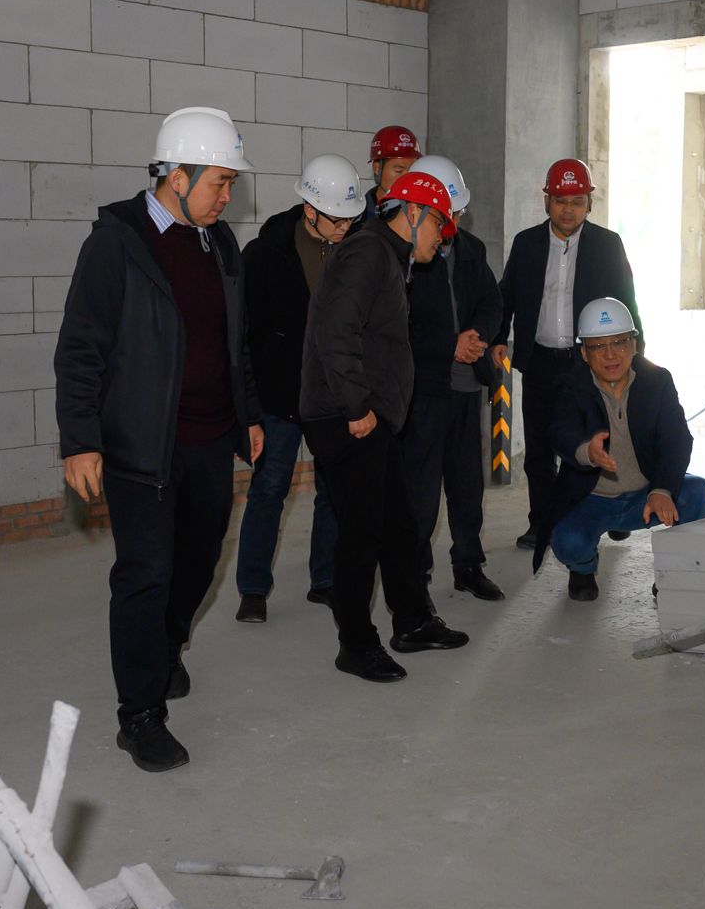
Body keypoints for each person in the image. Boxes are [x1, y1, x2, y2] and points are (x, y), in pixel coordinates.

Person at [53, 107, 265, 773]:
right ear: (177, 177)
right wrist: (79, 439)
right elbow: (81, 348)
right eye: (220, 183)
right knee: (146, 574)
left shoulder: (220, 244)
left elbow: (236, 343)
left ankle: (166, 646)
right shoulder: (116, 245)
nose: (227, 197)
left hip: (210, 439)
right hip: (140, 447)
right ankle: (140, 716)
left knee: (198, 564)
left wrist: (249, 414)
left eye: (230, 184)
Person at [300, 170, 469, 682]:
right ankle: (355, 644)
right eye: (439, 224)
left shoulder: (387, 256)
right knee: (361, 533)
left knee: (398, 523)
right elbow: (335, 334)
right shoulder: (368, 252)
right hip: (347, 417)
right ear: (413, 213)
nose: (442, 238)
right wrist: (356, 408)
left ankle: (412, 621)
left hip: (370, 414)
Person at [232, 155, 362, 623]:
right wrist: (249, 405)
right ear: (309, 210)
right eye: (336, 218)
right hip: (279, 397)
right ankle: (253, 588)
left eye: (350, 218)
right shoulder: (264, 255)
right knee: (269, 489)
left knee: (332, 490)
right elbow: (242, 336)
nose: (345, 227)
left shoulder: (355, 252)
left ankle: (324, 580)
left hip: (332, 398)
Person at [490, 159, 639, 552]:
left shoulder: (607, 245)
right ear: (547, 201)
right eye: (560, 201)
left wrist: (633, 356)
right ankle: (542, 522)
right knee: (539, 451)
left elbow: (626, 301)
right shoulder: (526, 243)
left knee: (595, 444)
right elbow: (507, 294)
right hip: (539, 362)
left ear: (589, 203)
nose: (568, 210)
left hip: (588, 365)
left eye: (577, 201)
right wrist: (497, 336)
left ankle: (607, 514)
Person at [535, 298, 705, 601]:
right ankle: (583, 568)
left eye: (619, 343)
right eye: (598, 346)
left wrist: (662, 489)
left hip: (646, 495)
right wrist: (586, 452)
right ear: (584, 353)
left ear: (633, 345)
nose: (610, 355)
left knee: (699, 494)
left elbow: (676, 439)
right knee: (566, 541)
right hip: (592, 499)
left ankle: (675, 574)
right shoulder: (570, 385)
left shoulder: (657, 381)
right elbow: (560, 430)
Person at [397, 155, 503, 602]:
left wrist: (477, 336)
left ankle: (468, 564)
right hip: (423, 390)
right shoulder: (402, 256)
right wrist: (449, 346)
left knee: (467, 484)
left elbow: (492, 301)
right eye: (446, 214)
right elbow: (397, 327)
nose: (453, 223)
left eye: (457, 213)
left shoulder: (472, 249)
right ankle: (414, 576)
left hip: (466, 387)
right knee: (420, 490)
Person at [365, 124, 421, 220]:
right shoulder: (358, 216)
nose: (406, 177)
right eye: (399, 171)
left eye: (412, 170)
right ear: (377, 168)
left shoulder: (420, 214)